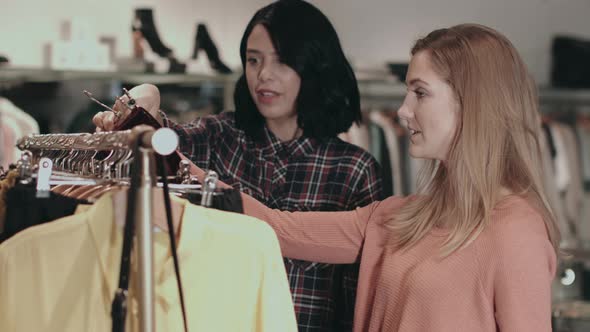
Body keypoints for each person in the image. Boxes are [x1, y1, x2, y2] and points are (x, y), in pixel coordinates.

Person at [238, 24, 560, 332]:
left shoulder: (515, 233)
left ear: (472, 102)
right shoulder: (398, 218)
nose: (404, 110)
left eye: (420, 93)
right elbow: (278, 227)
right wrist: (192, 179)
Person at [93, 0, 384, 331]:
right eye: (253, 60)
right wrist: (147, 97)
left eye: (282, 61)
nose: (263, 75)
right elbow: (162, 144)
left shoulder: (352, 170)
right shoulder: (219, 137)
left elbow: (357, 298)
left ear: (315, 65)